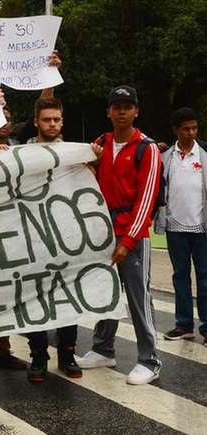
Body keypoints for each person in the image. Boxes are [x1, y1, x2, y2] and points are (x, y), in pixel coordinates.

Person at [77, 85, 163, 385]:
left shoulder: (146, 148)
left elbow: (147, 198)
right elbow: (84, 175)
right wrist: (91, 160)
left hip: (132, 230)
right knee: (106, 290)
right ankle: (103, 348)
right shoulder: (102, 142)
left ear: (136, 111)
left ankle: (149, 360)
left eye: (128, 106)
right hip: (104, 226)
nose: (122, 111)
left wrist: (128, 240)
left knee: (139, 295)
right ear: (109, 112)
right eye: (117, 106)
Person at [18, 97, 82, 382]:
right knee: (34, 298)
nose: (52, 124)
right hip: (32, 237)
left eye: (57, 119)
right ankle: (38, 355)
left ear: (62, 121)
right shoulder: (21, 152)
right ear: (36, 122)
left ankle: (67, 354)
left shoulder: (76, 154)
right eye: (47, 120)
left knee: (67, 296)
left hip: (66, 237)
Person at [154, 107, 207, 346]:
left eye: (194, 127)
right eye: (186, 128)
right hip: (175, 227)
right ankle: (184, 325)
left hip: (202, 228)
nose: (191, 132)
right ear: (176, 130)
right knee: (180, 277)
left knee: (205, 278)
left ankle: (206, 327)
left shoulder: (205, 152)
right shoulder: (165, 156)